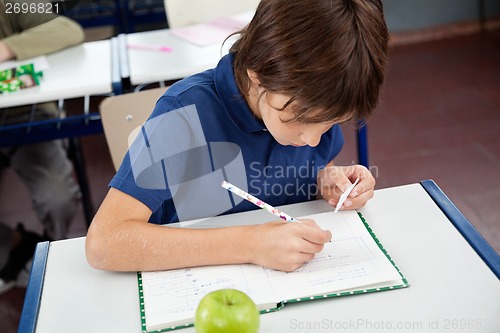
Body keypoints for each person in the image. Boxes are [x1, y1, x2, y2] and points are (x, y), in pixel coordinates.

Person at [86, 0, 389, 273]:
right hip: (196, 287)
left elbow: (307, 167)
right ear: (257, 71)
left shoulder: (313, 100)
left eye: (331, 124)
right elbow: (105, 243)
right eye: (302, 119)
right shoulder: (183, 115)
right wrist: (251, 244)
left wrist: (328, 180)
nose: (313, 139)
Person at [0, 0, 85, 292]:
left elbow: (65, 29)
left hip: (24, 115)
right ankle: (16, 244)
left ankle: (56, 254)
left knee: (57, 197)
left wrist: (7, 48)